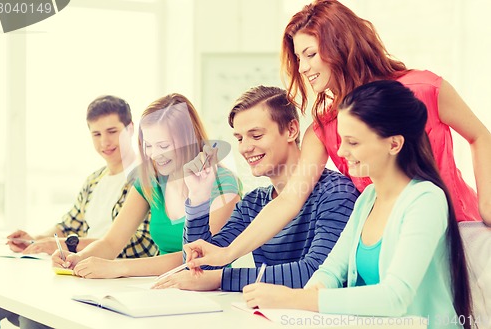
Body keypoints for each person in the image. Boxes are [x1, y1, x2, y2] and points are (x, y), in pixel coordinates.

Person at [184, 0, 491, 279]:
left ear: (341, 45)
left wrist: (487, 207)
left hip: (459, 233)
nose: (303, 68)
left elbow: (480, 136)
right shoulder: (323, 127)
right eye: (298, 57)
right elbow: (291, 198)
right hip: (386, 248)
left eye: (310, 54)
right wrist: (227, 254)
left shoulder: (424, 88)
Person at [242, 80, 473, 329]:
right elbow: (330, 271)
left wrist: (296, 298)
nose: (340, 152)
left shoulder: (426, 200)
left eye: (353, 142)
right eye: (341, 140)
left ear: (394, 144)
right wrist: (298, 306)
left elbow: (395, 297)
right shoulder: (368, 199)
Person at [153, 86, 358, 292]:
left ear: (291, 130)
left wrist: (221, 279)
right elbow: (202, 265)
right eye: (240, 138)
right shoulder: (253, 204)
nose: (245, 148)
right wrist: (198, 198)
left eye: (256, 136)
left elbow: (316, 273)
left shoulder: (336, 193)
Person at [0, 95, 157, 328]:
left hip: (112, 279)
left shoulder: (144, 179)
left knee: (35, 319)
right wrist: (34, 239)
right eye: (96, 134)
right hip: (78, 270)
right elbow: (68, 225)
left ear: (130, 129)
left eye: (112, 131)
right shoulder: (94, 179)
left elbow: (137, 243)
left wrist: (65, 245)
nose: (104, 142)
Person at [51, 93, 241, 279]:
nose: (154, 155)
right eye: (148, 146)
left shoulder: (223, 184)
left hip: (211, 289)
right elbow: (111, 242)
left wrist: (117, 267)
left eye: (164, 146)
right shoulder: (151, 180)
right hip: (162, 286)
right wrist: (78, 258)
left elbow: (200, 256)